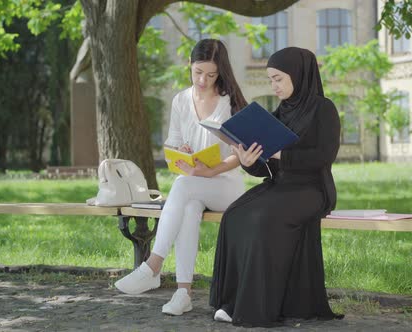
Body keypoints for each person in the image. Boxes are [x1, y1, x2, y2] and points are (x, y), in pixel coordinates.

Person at [209, 47, 344, 327]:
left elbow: (323, 156)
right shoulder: (280, 112)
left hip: (312, 189)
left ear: (298, 75)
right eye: (271, 79)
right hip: (279, 186)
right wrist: (248, 161)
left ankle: (251, 307)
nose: (274, 85)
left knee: (262, 218)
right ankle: (231, 301)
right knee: (235, 215)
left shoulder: (324, 108)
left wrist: (280, 154)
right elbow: (265, 167)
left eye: (279, 79)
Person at [114, 39, 246, 316]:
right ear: (189, 65)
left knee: (183, 186)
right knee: (188, 205)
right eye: (198, 72)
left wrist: (211, 170)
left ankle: (153, 265)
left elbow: (240, 155)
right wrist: (182, 152)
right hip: (194, 183)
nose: (202, 80)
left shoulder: (230, 101)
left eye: (210, 74)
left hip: (226, 185)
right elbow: (173, 143)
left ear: (220, 72)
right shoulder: (181, 101)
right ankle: (183, 292)